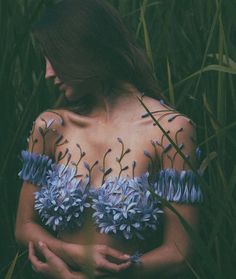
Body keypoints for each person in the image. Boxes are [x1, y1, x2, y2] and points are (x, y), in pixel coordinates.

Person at [15, 0, 203, 278]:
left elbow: (179, 253)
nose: (48, 73)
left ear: (86, 47)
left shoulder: (171, 129)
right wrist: (72, 254)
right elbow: (23, 226)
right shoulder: (51, 127)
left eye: (54, 57)